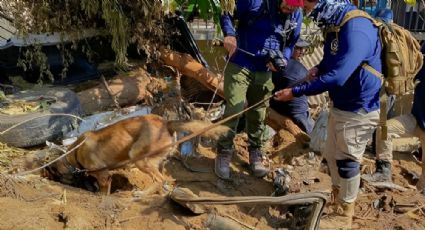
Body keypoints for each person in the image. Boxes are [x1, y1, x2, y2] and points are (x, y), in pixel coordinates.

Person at [274, 0, 382, 228]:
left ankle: (345, 214)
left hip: (358, 108)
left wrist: (296, 92)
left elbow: (339, 76)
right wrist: (319, 68)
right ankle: (336, 200)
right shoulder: (336, 25)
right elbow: (333, 60)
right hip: (341, 104)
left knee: (347, 160)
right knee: (332, 155)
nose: (307, 11)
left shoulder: (357, 27)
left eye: (309, 6)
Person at [216, 0, 304, 180]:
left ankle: (255, 152)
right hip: (240, 62)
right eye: (287, 5)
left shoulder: (296, 14)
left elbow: (290, 43)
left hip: (264, 69)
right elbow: (226, 12)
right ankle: (224, 151)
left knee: (258, 112)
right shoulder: (254, 2)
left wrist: (284, 59)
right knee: (235, 107)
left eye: (294, 8)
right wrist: (230, 34)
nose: (289, 10)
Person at [363, 43, 425, 191]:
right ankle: (384, 170)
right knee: (384, 129)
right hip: (415, 119)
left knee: (423, 188)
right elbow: (409, 65)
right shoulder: (422, 64)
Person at [270, 38, 315, 134]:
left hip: (275, 107)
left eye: (303, 49)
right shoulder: (300, 70)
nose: (302, 52)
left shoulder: (273, 64)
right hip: (296, 113)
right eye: (298, 48)